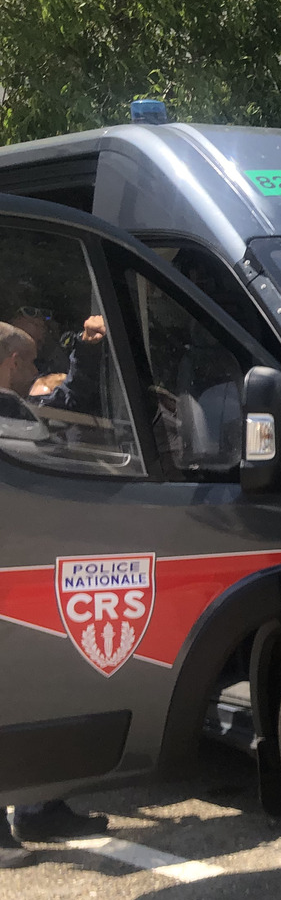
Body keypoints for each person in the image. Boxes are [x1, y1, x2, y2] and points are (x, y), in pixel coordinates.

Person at [0, 320, 111, 856]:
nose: (33, 374)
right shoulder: (7, 412)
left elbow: (67, 397)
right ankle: (33, 812)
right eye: (31, 360)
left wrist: (87, 355)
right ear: (14, 362)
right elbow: (66, 406)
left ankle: (38, 808)